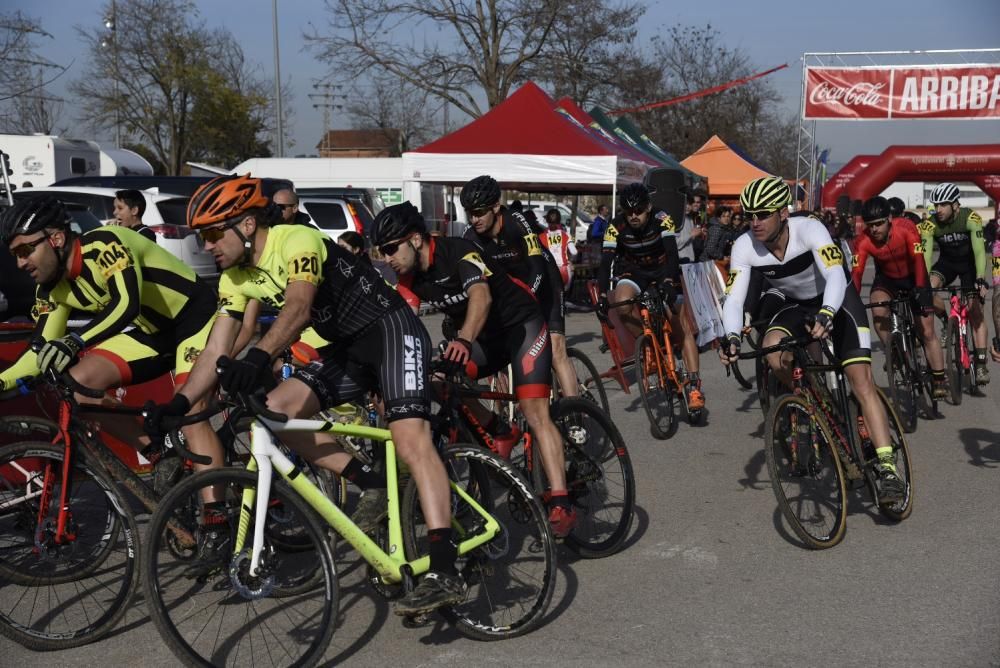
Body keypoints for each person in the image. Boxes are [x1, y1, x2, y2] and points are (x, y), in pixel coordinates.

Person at [143, 174, 464, 615]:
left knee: (409, 439)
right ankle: (372, 484)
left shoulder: (296, 240)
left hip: (390, 331)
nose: (206, 245)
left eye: (214, 232)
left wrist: (256, 358)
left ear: (248, 225)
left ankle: (444, 568)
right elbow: (215, 348)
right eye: (201, 236)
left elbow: (298, 307)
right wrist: (178, 406)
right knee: (275, 412)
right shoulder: (234, 278)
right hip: (347, 348)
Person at [372, 200, 578, 538]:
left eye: (391, 248)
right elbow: (396, 321)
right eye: (381, 251)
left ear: (416, 239)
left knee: (534, 409)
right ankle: (500, 430)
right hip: (487, 339)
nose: (386, 258)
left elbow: (481, 296)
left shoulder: (458, 251)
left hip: (521, 328)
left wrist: (464, 340)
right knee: (439, 382)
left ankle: (560, 500)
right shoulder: (408, 278)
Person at [719, 176, 904, 502]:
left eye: (763, 214)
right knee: (771, 350)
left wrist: (828, 312)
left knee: (861, 382)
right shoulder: (744, 245)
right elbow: (734, 298)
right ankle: (811, 401)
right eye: (750, 215)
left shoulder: (810, 228)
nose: (755, 222)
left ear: (783, 213)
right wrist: (731, 337)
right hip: (798, 306)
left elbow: (834, 274)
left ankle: (888, 468)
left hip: (839, 300)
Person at [0, 195, 218, 465]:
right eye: (16, 256)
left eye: (25, 251)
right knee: (79, 385)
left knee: (190, 410)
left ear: (55, 239)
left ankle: (216, 508)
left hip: (194, 317)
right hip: (152, 333)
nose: (21, 263)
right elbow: (40, 349)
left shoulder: (106, 243)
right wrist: (3, 382)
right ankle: (160, 454)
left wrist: (74, 341)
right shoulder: (51, 290)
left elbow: (127, 304)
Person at [461, 175, 582, 412]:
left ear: (496, 206)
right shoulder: (470, 237)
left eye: (479, 212)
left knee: (556, 350)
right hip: (512, 291)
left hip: (544, 281)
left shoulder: (516, 221)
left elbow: (536, 264)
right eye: (470, 213)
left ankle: (576, 416)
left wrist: (530, 296)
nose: (474, 219)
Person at [596, 182, 706, 411]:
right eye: (628, 212)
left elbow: (672, 253)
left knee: (679, 323)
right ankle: (647, 344)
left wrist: (668, 281)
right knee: (621, 303)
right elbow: (605, 263)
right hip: (634, 271)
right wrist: (602, 295)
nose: (633, 216)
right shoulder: (615, 226)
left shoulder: (662, 217)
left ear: (648, 207)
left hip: (663, 268)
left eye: (638, 211)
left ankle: (694, 385)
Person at [852, 196, 947, 398]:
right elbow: (857, 274)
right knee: (877, 307)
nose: (875, 229)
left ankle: (939, 378)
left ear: (889, 219)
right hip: (887, 279)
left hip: (914, 276)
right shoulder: (863, 241)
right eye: (870, 226)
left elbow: (918, 258)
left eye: (879, 224)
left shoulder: (906, 227)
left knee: (927, 331)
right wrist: (852, 300)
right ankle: (893, 347)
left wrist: (921, 288)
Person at [918, 182, 990, 385]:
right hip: (947, 264)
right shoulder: (930, 224)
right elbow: (925, 255)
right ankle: (944, 319)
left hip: (968, 266)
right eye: (935, 205)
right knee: (928, 286)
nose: (937, 209)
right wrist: (922, 281)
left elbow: (978, 252)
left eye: (942, 205)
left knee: (974, 311)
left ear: (955, 205)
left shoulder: (971, 218)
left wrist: (980, 278)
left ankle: (982, 364)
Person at [540, 207, 578, 291]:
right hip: (564, 271)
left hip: (549, 270)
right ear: (559, 220)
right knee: (563, 293)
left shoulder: (541, 237)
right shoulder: (565, 235)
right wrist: (570, 261)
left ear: (547, 221)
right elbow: (574, 252)